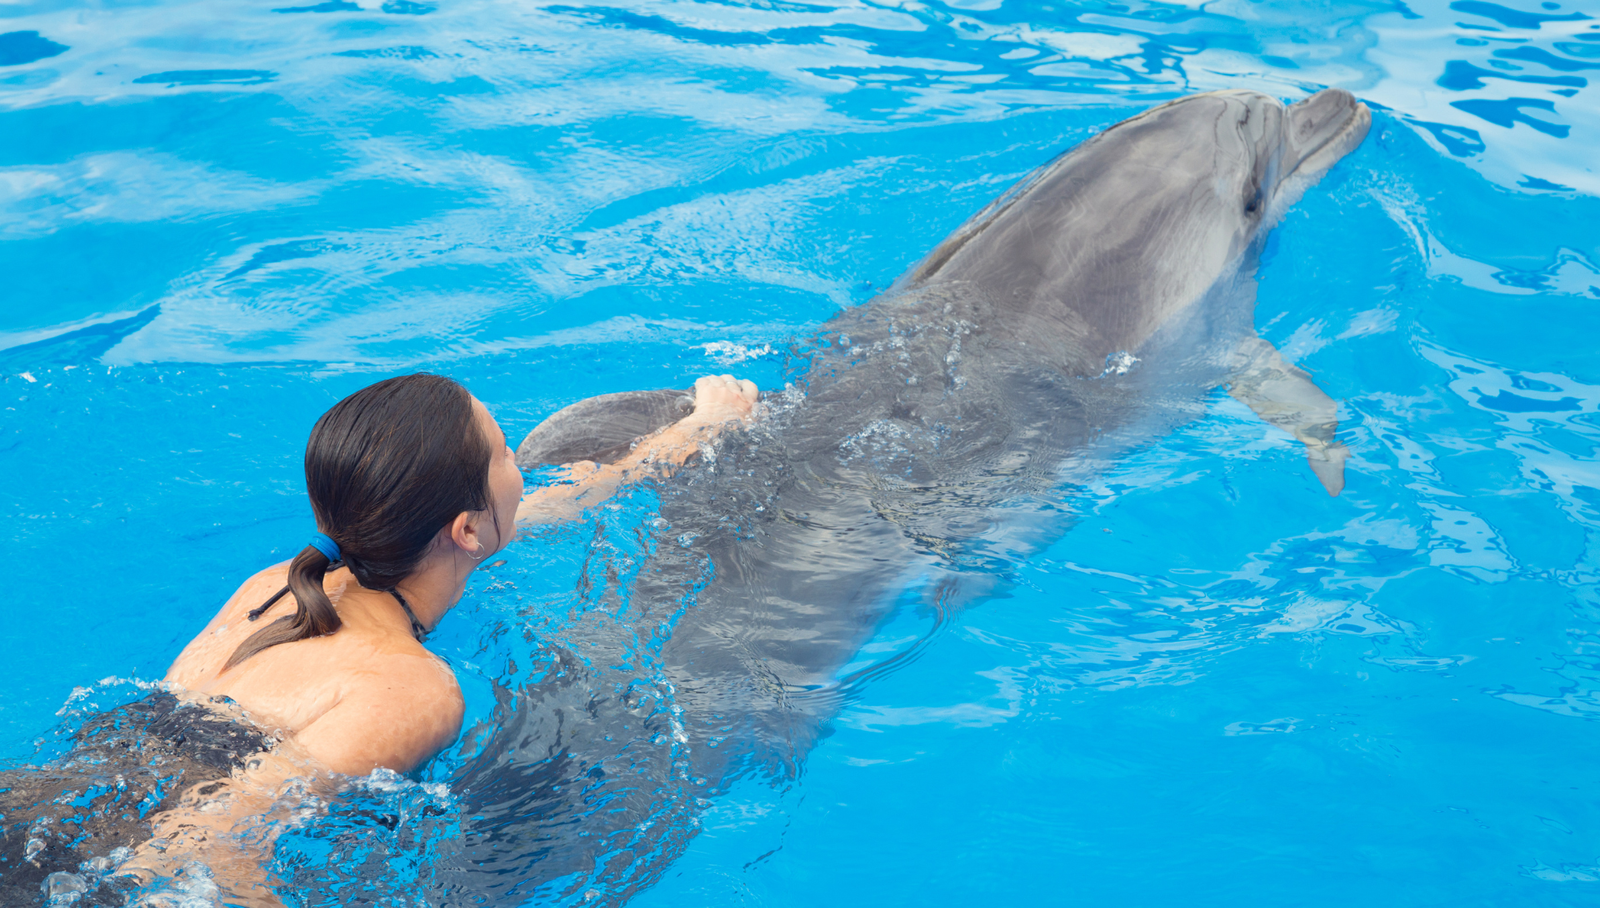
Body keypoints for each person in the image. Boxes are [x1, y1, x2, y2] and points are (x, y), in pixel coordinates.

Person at [0, 372, 758, 906]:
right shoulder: (411, 687)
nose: (519, 464)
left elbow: (546, 505)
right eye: (504, 452)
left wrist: (697, 434)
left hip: (42, 805)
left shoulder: (283, 580)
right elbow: (204, 847)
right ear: (463, 530)